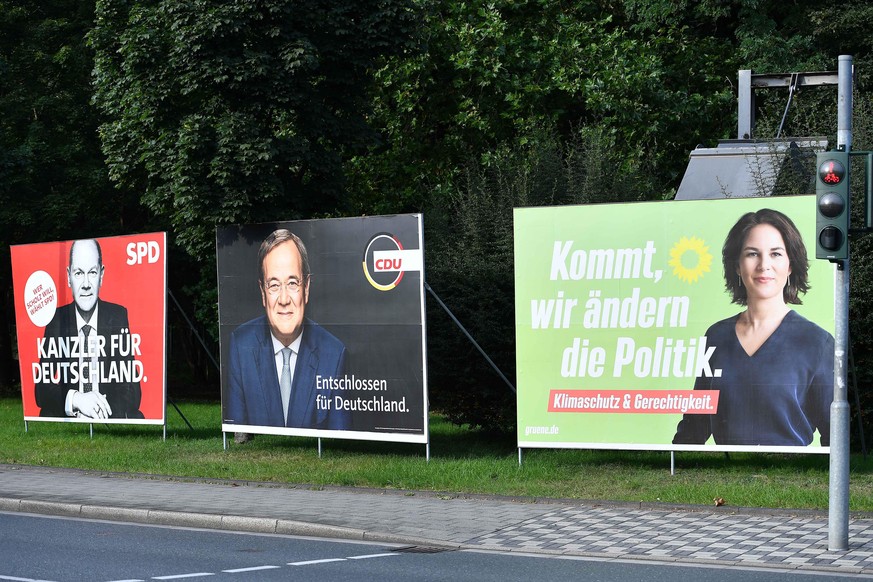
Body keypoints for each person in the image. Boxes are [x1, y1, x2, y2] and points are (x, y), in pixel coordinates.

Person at [672, 208, 833, 446]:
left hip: (791, 478)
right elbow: (695, 426)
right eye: (752, 254)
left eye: (776, 254)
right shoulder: (716, 337)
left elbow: (835, 438)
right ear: (737, 265)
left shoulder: (818, 342)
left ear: (790, 265)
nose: (763, 265)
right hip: (723, 478)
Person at [225, 229, 350, 430]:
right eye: (274, 285)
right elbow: (237, 433)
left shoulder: (333, 353)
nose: (284, 300)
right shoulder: (241, 346)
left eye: (292, 283)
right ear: (263, 293)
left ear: (306, 288)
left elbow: (340, 441)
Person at [35, 239, 143, 419]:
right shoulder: (56, 319)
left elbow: (132, 390)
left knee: (137, 415)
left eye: (92, 272)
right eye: (78, 273)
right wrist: (77, 400)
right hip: (71, 412)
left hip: (105, 411)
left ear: (101, 274)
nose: (86, 284)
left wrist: (99, 410)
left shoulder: (117, 316)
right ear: (69, 276)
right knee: (45, 413)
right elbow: (41, 389)